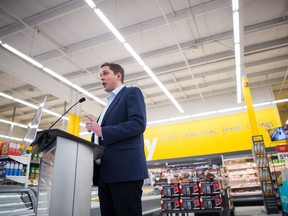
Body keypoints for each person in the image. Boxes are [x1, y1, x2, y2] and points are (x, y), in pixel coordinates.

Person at [85, 62, 148, 216]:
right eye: (100, 75)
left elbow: (138, 124)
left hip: (124, 172)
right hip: (105, 174)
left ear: (118, 75)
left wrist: (102, 130)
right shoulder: (108, 104)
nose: (101, 78)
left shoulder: (131, 92)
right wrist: (95, 130)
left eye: (105, 73)